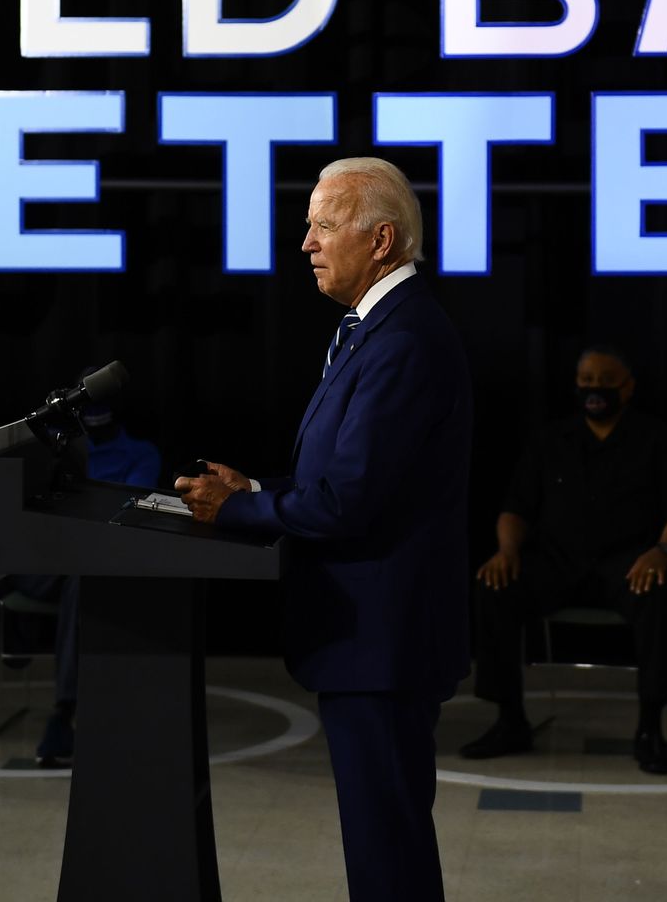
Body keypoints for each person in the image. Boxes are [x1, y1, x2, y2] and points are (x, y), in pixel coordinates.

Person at [176, 156, 470, 902]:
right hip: (372, 638)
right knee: (386, 842)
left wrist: (233, 511)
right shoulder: (376, 329)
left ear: (380, 240)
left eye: (323, 226)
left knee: (387, 849)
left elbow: (348, 503)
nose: (306, 242)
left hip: (381, 642)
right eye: (308, 225)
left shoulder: (402, 339)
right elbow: (350, 479)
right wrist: (261, 488)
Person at [459, 345, 667, 774]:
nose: (594, 390)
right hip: (557, 562)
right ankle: (510, 719)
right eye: (587, 382)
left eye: (605, 383)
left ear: (627, 389)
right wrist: (506, 550)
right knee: (494, 585)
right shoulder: (550, 440)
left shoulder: (657, 440)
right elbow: (515, 508)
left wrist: (662, 552)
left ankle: (650, 727)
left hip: (629, 564)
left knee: (659, 592)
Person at [0, 386, 161, 767]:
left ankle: (64, 711)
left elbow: (129, 516)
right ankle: (4, 622)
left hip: (102, 568)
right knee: (32, 560)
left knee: (84, 579)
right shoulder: (60, 449)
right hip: (52, 560)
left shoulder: (140, 455)